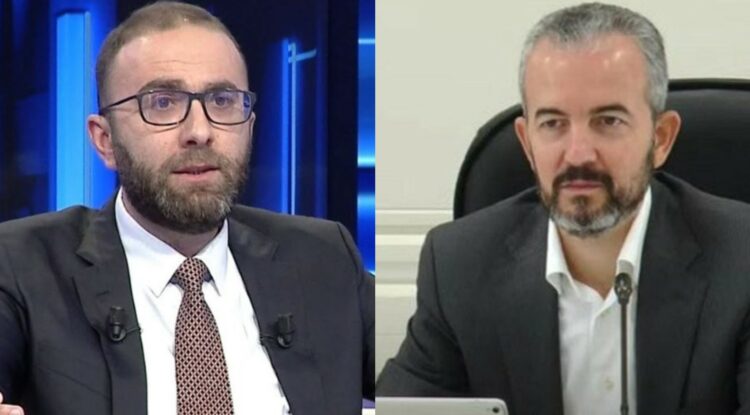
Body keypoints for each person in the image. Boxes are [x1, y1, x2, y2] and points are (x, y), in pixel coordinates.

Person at [0, 2, 373, 414]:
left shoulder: (325, 257)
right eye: (163, 103)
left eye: (223, 100)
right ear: (105, 140)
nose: (200, 131)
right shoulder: (21, 264)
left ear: (250, 126)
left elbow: (421, 376)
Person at [376, 2, 750, 414]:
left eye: (608, 121)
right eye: (553, 123)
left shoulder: (741, 262)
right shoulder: (457, 266)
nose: (578, 154)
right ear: (527, 143)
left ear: (660, 138)